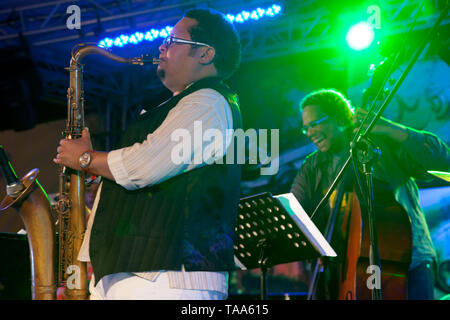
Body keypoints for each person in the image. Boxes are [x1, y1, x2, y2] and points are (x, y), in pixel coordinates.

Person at [54, 8, 242, 300]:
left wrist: (86, 158)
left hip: (168, 277)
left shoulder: (209, 102)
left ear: (206, 54)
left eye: (173, 41)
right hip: (141, 272)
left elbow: (144, 166)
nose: (162, 47)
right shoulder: (178, 105)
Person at [290, 89, 450, 300]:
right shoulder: (312, 167)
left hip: (405, 260)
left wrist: (392, 129)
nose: (310, 132)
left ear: (339, 118)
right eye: (306, 128)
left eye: (315, 123)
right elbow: (295, 212)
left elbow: (442, 161)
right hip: (349, 272)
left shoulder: (380, 143)